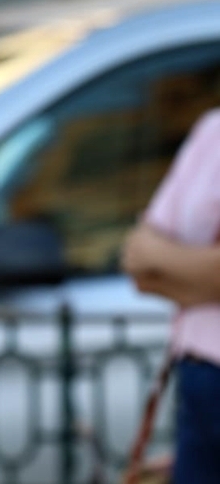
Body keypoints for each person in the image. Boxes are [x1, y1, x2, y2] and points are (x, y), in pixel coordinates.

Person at [122, 108, 220, 483]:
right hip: (198, 382)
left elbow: (154, 261)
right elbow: (138, 259)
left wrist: (170, 266)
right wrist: (207, 277)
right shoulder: (212, 130)